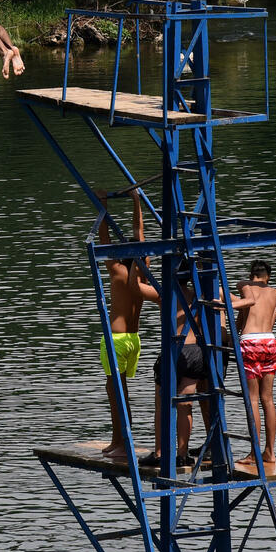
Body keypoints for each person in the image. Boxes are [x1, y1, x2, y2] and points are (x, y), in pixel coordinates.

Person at [97, 188, 160, 459]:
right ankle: (117, 440)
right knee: (119, 392)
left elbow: (103, 237)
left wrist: (102, 205)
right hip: (134, 340)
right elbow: (140, 234)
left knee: (116, 394)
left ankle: (123, 444)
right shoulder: (140, 272)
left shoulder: (118, 271)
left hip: (116, 340)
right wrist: (137, 202)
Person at [136, 260, 203, 468]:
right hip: (195, 352)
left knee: (162, 405)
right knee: (186, 405)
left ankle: (159, 452)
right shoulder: (199, 296)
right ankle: (182, 454)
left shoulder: (165, 294)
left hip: (173, 350)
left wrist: (136, 263)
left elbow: (134, 288)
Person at [231, 259, 276, 465]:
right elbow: (271, 320)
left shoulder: (244, 286)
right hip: (269, 341)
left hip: (250, 342)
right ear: (267, 277)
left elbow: (241, 321)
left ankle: (253, 453)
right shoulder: (275, 293)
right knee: (267, 398)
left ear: (252, 275)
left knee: (252, 399)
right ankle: (270, 452)